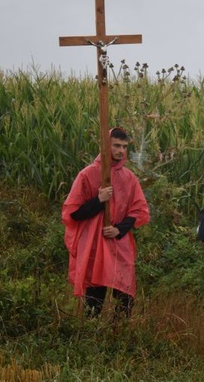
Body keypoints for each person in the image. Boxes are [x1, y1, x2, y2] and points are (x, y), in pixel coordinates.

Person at [61, 127, 150, 319]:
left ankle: (119, 334)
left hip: (119, 242)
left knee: (125, 294)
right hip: (94, 242)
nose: (121, 150)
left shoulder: (129, 178)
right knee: (95, 295)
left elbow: (139, 211)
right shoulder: (88, 174)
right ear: (105, 146)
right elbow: (73, 213)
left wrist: (118, 229)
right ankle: (91, 337)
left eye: (124, 147)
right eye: (116, 145)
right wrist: (98, 200)